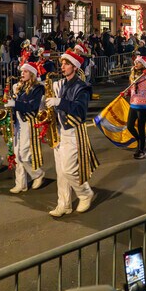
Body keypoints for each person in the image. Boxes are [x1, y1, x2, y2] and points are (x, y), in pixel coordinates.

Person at [45, 50, 98, 217]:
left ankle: (85, 193)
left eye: (66, 64)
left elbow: (80, 111)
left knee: (68, 170)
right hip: (60, 131)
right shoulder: (63, 84)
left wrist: (59, 102)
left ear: (75, 67)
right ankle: (64, 204)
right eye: (62, 63)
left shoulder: (81, 87)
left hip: (73, 131)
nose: (62, 66)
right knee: (60, 173)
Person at [4, 62, 45, 191]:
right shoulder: (20, 86)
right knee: (16, 154)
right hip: (18, 123)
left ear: (32, 73)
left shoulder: (37, 88)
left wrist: (15, 103)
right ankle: (20, 183)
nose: (22, 74)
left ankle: (37, 173)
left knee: (24, 155)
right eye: (22, 72)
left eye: (25, 72)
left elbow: (32, 107)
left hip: (28, 122)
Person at [122, 56, 146, 159]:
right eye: (136, 62)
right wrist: (126, 93)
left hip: (143, 105)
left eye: (139, 62)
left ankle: (141, 150)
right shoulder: (132, 75)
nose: (136, 64)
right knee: (130, 126)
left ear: (143, 65)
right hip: (133, 104)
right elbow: (131, 89)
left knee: (141, 128)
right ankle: (140, 140)